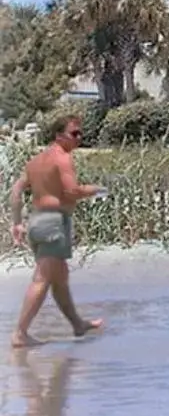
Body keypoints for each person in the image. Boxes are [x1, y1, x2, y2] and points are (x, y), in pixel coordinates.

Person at [9, 114, 103, 347]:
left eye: (80, 133)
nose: (79, 138)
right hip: (53, 223)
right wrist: (95, 190)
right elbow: (71, 191)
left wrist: (17, 222)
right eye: (74, 133)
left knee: (59, 279)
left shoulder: (35, 161)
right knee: (41, 279)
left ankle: (77, 325)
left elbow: (16, 191)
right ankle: (20, 333)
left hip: (37, 221)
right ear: (59, 135)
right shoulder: (63, 159)